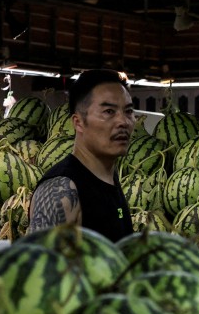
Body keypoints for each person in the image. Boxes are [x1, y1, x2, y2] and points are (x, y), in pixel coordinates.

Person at [27, 69, 135, 242]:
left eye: (128, 111)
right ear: (78, 123)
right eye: (109, 111)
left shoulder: (109, 178)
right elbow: (38, 265)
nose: (123, 121)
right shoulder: (61, 188)